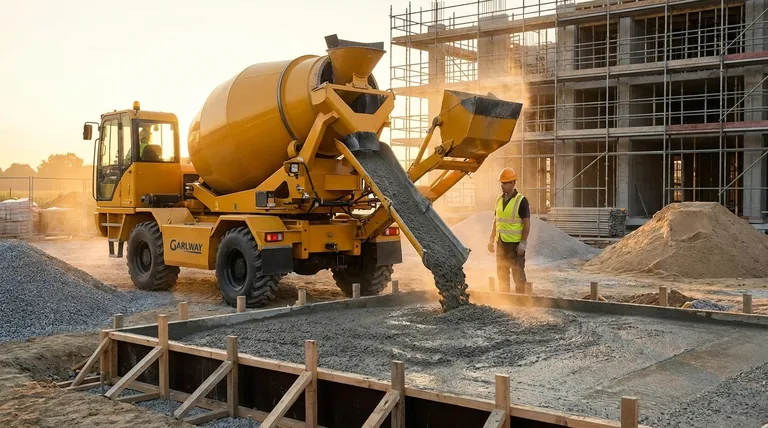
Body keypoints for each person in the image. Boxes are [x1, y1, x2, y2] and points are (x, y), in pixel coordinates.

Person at [487, 167, 530, 293]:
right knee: (502, 274)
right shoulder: (499, 199)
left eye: (505, 183)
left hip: (515, 245)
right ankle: (505, 300)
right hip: (501, 243)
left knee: (518, 276)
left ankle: (521, 303)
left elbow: (527, 223)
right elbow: (497, 220)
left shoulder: (521, 201)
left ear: (513, 183)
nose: (502, 185)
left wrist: (523, 243)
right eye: (501, 183)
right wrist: (491, 239)